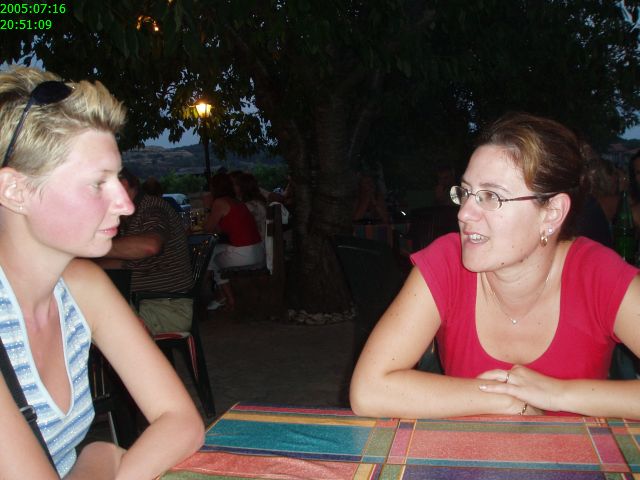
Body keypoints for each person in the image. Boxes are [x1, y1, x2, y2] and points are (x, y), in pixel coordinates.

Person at [350, 112, 640, 419]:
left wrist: (557, 394)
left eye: (490, 196)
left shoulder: (597, 275)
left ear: (552, 213)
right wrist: (508, 401)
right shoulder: (447, 262)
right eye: (465, 193)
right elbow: (369, 390)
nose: (464, 213)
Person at [0, 67, 203, 478]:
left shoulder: (81, 285)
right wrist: (101, 456)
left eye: (119, 180)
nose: (125, 205)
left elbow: (182, 421)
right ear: (15, 190)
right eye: (98, 184)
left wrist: (102, 457)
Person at [98, 168, 194, 335]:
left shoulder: (151, 209)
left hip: (167, 309)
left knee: (86, 317)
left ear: (122, 184)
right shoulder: (131, 214)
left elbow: (150, 245)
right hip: (150, 303)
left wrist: (92, 247)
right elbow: (124, 263)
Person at [204, 172, 264, 311]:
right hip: (257, 250)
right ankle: (223, 296)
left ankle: (223, 296)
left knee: (211, 257)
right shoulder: (236, 202)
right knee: (212, 253)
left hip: (245, 254)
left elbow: (208, 229)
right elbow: (220, 229)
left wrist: (207, 207)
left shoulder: (220, 203)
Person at [235, 172, 268, 240]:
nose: (233, 187)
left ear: (242, 187)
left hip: (256, 241)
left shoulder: (248, 206)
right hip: (262, 239)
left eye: (235, 185)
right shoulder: (259, 201)